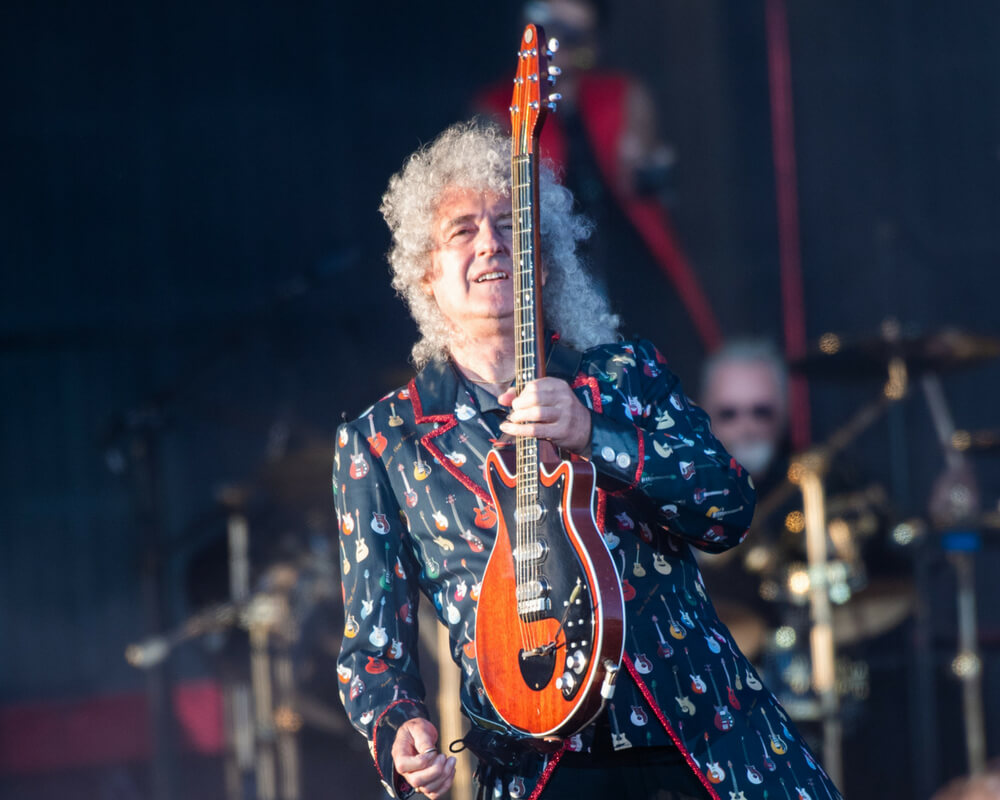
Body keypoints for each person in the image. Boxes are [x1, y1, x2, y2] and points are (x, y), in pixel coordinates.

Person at [333, 121, 842, 800]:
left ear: (541, 262)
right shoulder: (382, 441)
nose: (490, 242)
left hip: (706, 743)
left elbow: (728, 508)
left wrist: (594, 434)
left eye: (510, 225)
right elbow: (373, 651)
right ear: (426, 273)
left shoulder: (625, 374)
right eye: (463, 230)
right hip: (539, 767)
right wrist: (398, 728)